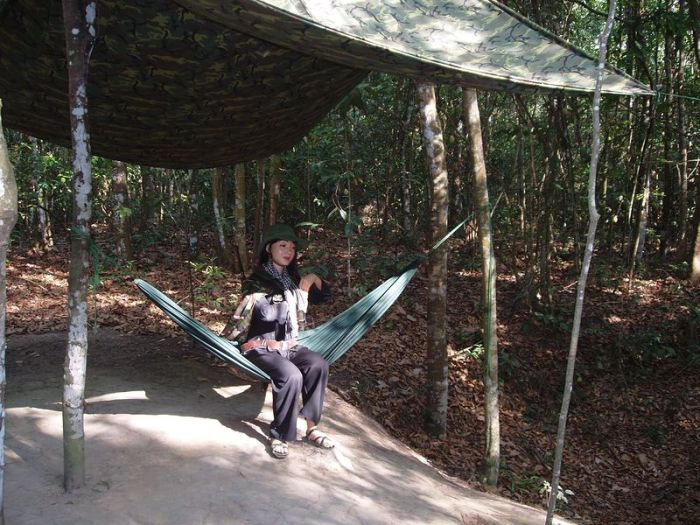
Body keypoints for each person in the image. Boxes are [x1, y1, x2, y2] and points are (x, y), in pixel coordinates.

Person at [222, 224, 334, 459]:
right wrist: (292, 296)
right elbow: (265, 314)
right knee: (291, 375)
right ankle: (280, 435)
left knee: (318, 364)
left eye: (292, 247)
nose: (288, 251)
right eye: (282, 245)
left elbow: (325, 297)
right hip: (260, 347)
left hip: (289, 345)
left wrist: (313, 280)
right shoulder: (256, 280)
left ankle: (312, 428)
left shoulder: (292, 278)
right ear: (269, 249)